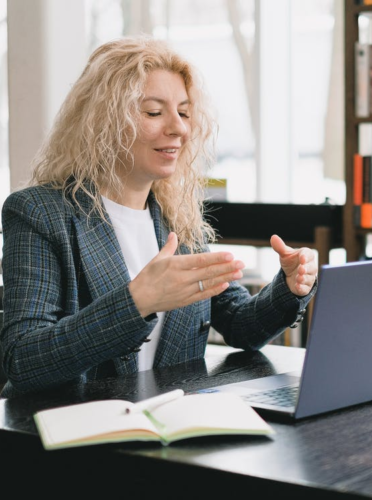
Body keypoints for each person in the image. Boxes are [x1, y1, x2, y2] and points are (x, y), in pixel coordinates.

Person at [0, 36, 318, 398]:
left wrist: (290, 287)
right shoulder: (38, 212)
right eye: (154, 112)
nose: (180, 128)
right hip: (70, 437)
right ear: (104, 120)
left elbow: (240, 323)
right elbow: (23, 359)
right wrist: (138, 302)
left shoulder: (177, 217)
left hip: (168, 432)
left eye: (183, 112)